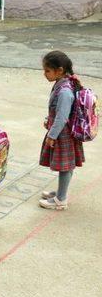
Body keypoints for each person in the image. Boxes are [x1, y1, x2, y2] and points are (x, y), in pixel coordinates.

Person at [39, 51, 85, 210]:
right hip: (64, 132)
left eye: (47, 70)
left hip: (63, 134)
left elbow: (62, 117)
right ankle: (61, 192)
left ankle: (61, 199)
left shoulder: (64, 90)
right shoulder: (64, 82)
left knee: (65, 166)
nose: (44, 74)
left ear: (59, 70)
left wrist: (52, 135)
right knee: (67, 165)